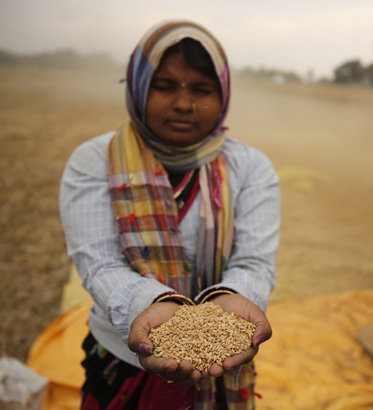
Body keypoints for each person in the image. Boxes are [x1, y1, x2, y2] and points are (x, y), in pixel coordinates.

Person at [59, 20, 280, 409]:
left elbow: (255, 262)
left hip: (222, 369)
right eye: (164, 86)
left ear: (223, 94)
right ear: (139, 87)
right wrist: (151, 305)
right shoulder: (95, 160)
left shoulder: (250, 167)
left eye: (202, 89)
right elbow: (98, 263)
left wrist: (234, 299)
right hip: (122, 358)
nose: (184, 104)